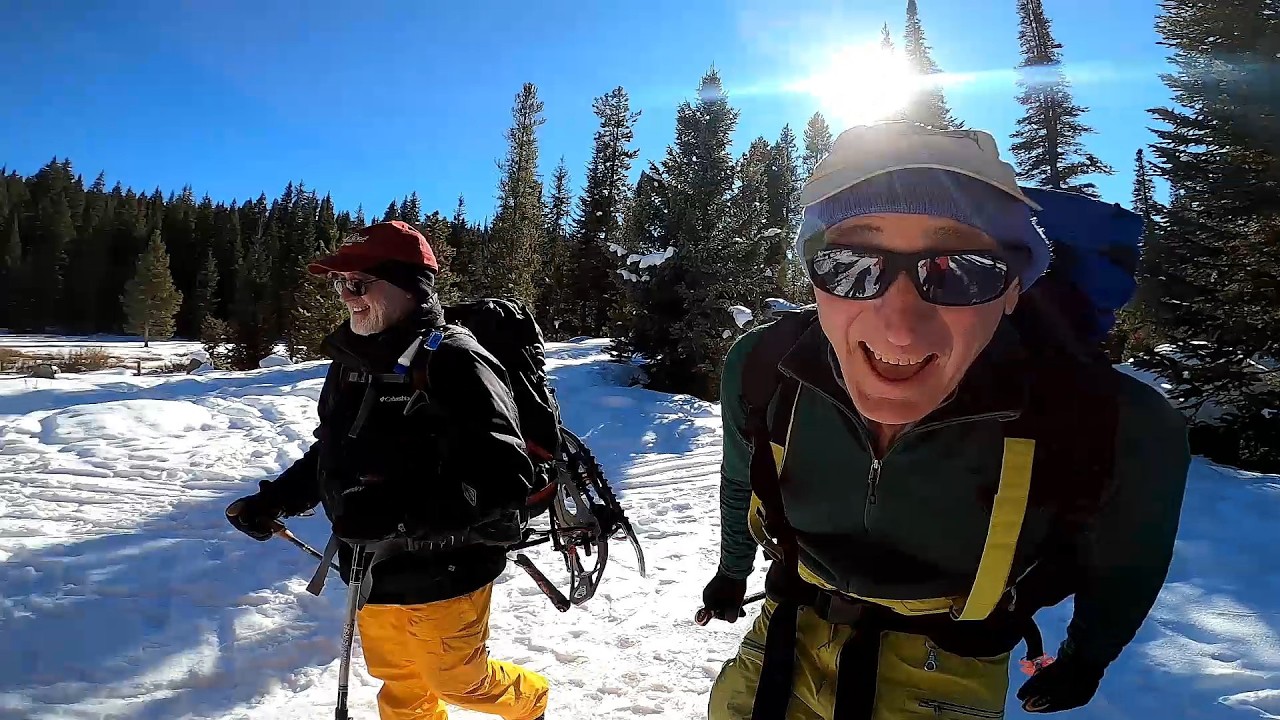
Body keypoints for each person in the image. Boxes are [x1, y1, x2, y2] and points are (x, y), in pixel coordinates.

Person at [702, 122, 1191, 719]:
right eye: (853, 266)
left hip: (948, 667)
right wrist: (732, 573)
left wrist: (1089, 655)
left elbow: (1128, 562)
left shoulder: (1112, 419)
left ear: (1013, 289)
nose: (900, 328)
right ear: (814, 279)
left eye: (960, 272)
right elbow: (738, 479)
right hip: (779, 642)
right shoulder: (763, 367)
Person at [225, 220, 549, 720]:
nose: (347, 297)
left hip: (448, 565)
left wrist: (400, 517)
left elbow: (505, 475)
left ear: (409, 288)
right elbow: (332, 452)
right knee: (399, 682)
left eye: (359, 284)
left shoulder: (456, 361)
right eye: (341, 285)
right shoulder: (352, 362)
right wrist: (276, 500)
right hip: (370, 566)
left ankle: (531, 703)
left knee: (460, 681)